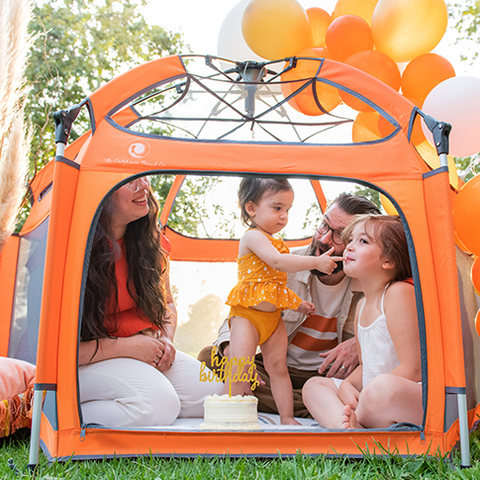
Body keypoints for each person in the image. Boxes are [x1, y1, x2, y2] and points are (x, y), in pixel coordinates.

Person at [198, 192, 381, 417]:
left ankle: (307, 402)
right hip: (277, 368)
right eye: (324, 225)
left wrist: (358, 343)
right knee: (210, 356)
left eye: (339, 235)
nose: (324, 239)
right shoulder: (282, 262)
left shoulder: (371, 282)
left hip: (328, 377)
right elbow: (238, 314)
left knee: (371, 380)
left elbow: (391, 337)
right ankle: (317, 407)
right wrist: (231, 352)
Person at [78, 176, 223, 427]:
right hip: (86, 359)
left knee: (214, 398)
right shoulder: (77, 249)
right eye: (130, 180)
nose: (143, 185)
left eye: (144, 177)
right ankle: (54, 411)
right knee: (159, 406)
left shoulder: (151, 242)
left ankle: (130, 401)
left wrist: (165, 339)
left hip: (144, 346)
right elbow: (59, 348)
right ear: (101, 192)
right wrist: (127, 347)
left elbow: (167, 305)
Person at [224, 177, 343, 425]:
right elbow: (277, 263)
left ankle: (287, 417)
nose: (283, 216)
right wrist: (316, 262)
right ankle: (233, 415)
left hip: (272, 319)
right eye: (277, 208)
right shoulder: (253, 237)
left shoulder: (278, 243)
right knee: (240, 366)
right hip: (248, 316)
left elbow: (275, 285)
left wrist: (297, 304)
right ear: (251, 208)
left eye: (287, 210)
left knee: (279, 368)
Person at [302, 215, 422, 429]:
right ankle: (347, 429)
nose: (349, 247)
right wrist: (347, 385)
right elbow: (365, 367)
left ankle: (354, 422)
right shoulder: (361, 306)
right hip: (372, 397)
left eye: (363, 241)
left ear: (389, 261)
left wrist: (366, 394)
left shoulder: (398, 294)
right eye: (350, 240)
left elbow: (413, 369)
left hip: (403, 395)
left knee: (381, 388)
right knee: (314, 386)